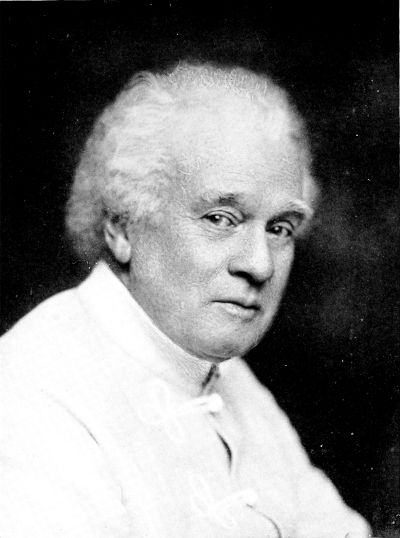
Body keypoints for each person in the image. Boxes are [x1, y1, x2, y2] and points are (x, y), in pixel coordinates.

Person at [0, 61, 371, 537]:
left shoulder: (235, 381)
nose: (260, 265)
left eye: (280, 229)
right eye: (221, 219)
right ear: (122, 226)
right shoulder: (32, 397)